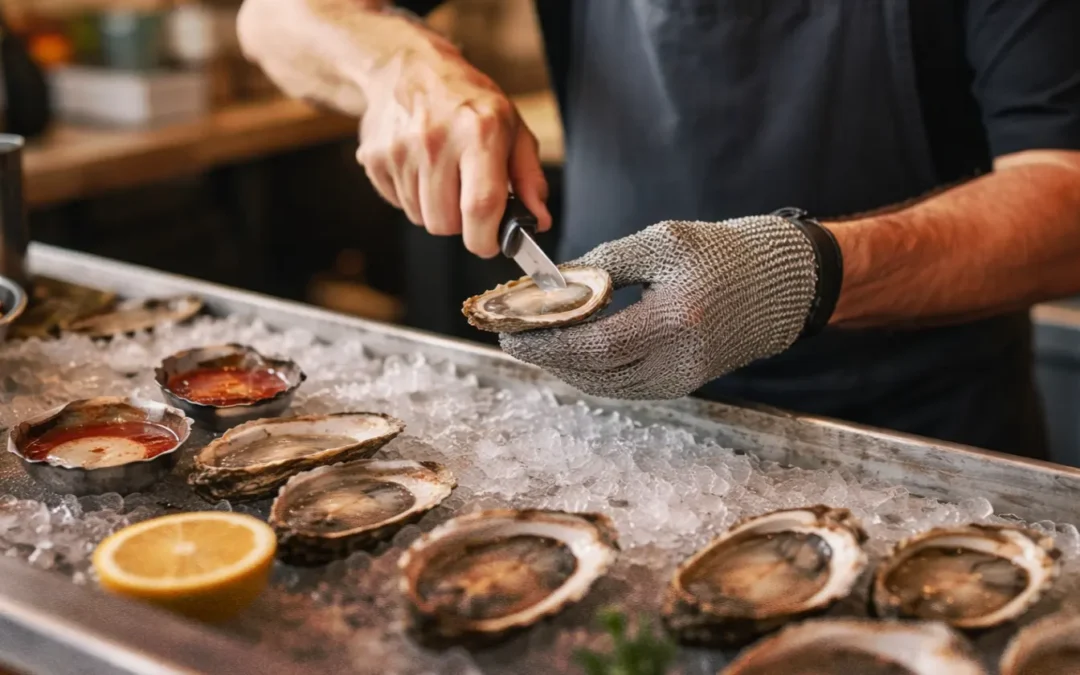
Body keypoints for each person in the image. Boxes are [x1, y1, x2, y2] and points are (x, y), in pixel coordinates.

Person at [236, 0, 1080, 459]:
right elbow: (274, 20)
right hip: (617, 429)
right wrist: (395, 61)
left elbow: (1064, 199)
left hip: (914, 439)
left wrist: (796, 272)